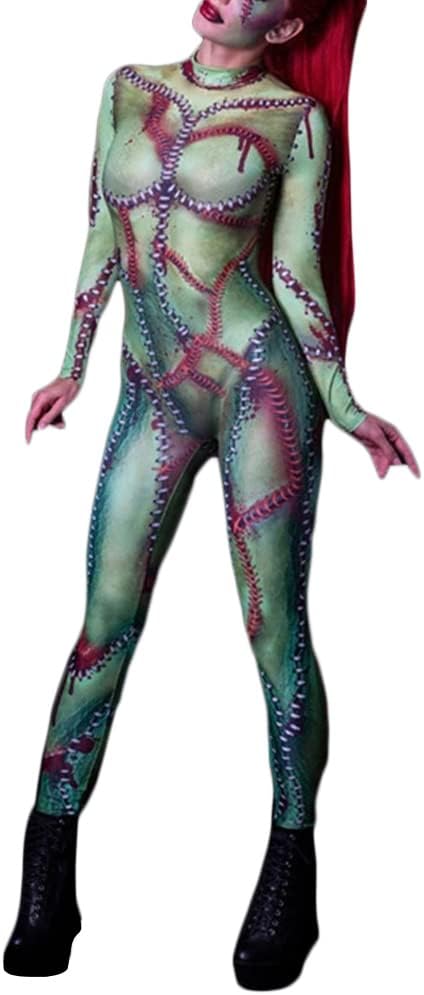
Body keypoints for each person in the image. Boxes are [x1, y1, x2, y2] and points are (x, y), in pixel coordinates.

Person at [3, 0, 420, 987]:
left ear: (285, 29)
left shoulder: (295, 121)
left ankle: (291, 869)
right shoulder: (126, 88)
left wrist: (344, 402)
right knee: (102, 625)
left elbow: (295, 271)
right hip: (149, 390)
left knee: (274, 630)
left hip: (257, 383)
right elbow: (101, 234)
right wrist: (69, 365)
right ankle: (47, 873)